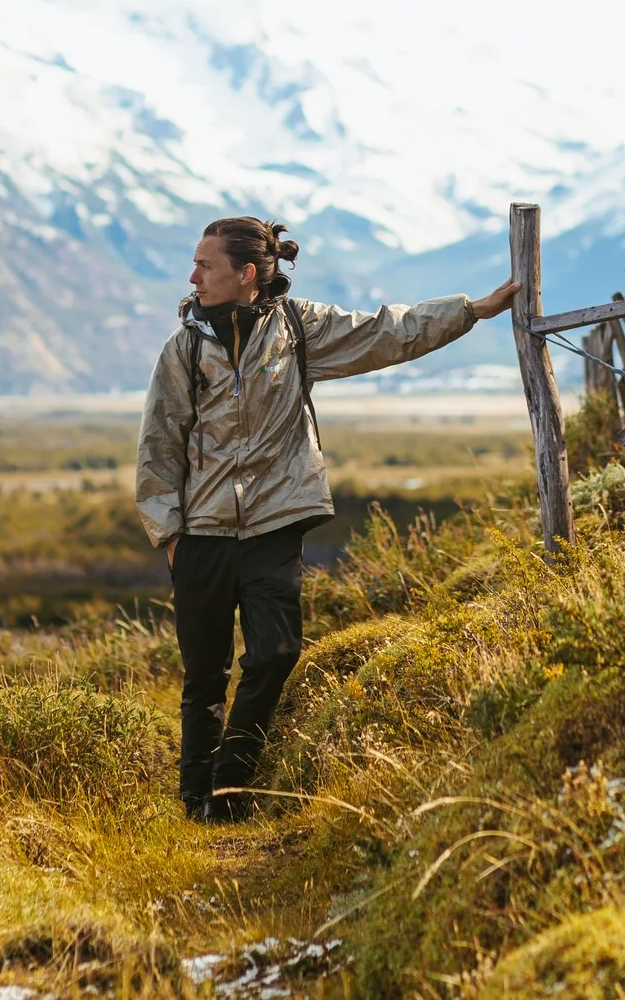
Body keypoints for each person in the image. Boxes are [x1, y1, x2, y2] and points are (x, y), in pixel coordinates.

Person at [135, 215, 518, 821]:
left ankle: (230, 791)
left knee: (277, 654)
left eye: (205, 265)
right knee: (203, 676)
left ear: (247, 274)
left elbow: (386, 332)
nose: (193, 276)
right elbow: (158, 445)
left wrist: (472, 309)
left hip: (274, 525)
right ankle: (194, 806)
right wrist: (172, 534)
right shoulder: (182, 349)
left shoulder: (299, 329)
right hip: (201, 534)